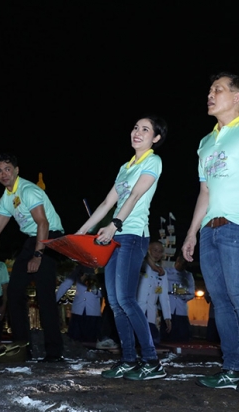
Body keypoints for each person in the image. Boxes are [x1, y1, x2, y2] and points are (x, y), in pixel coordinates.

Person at [182, 72, 239, 394]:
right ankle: (232, 367)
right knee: (219, 302)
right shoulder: (205, 142)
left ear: (236, 97)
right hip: (209, 230)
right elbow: (204, 192)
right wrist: (191, 232)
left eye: (217, 90)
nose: (210, 94)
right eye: (209, 90)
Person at [77, 114, 168, 381]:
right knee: (115, 303)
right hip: (115, 237)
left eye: (146, 129)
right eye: (135, 127)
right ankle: (128, 360)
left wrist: (115, 225)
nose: (137, 132)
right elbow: (107, 203)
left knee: (127, 300)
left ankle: (151, 361)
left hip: (132, 235)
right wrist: (83, 231)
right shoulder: (125, 167)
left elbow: (137, 195)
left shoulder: (153, 161)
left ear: (156, 138)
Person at [0, 153, 65, 362]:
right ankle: (22, 348)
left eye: (7, 169)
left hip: (49, 239)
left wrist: (37, 255)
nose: (3, 174)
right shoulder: (6, 198)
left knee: (45, 296)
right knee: (15, 293)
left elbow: (42, 223)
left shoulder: (28, 190)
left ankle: (54, 352)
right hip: (31, 238)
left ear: (17, 170)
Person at [55, 264, 103, 344]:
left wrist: (94, 289)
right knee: (75, 340)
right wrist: (54, 299)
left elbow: (103, 292)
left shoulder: (98, 270)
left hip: (92, 312)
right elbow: (66, 284)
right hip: (78, 311)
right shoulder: (78, 270)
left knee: (91, 341)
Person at [137, 241, 171, 345]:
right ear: (148, 250)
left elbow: (164, 295)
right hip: (137, 309)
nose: (157, 254)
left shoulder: (161, 272)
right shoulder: (139, 265)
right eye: (155, 250)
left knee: (153, 340)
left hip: (151, 312)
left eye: (160, 251)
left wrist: (167, 317)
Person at [162, 253, 195, 342]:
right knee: (166, 336)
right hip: (168, 308)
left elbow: (192, 293)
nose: (182, 265)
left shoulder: (188, 275)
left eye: (185, 263)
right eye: (181, 262)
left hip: (181, 310)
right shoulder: (166, 271)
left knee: (183, 337)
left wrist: (182, 293)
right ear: (177, 261)